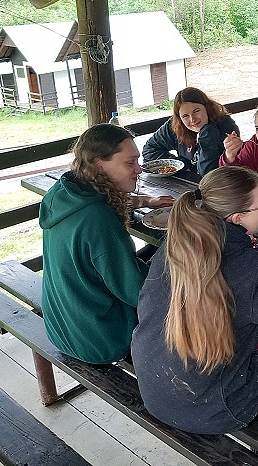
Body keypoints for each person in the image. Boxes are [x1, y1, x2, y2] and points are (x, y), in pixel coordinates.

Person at [131, 166, 258, 433]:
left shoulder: (177, 244)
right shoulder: (252, 268)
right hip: (210, 411)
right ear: (238, 218)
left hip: (154, 387)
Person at [40, 124, 174, 364]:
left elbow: (107, 200)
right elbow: (138, 291)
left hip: (62, 326)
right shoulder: (98, 219)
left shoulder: (64, 193)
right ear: (99, 165)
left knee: (155, 255)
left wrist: (144, 201)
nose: (139, 169)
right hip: (101, 339)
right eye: (130, 163)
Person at [142, 87, 239, 178]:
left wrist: (207, 134)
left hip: (217, 184)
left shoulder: (226, 126)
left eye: (196, 111)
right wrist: (181, 165)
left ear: (207, 108)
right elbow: (149, 150)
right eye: (185, 116)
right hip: (185, 183)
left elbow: (207, 175)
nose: (192, 119)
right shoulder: (176, 126)